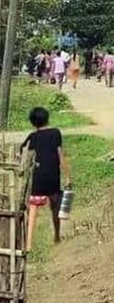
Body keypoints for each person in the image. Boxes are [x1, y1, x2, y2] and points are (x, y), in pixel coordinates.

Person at [21, 107, 70, 251]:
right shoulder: (55, 133)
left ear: (33, 122)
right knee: (55, 205)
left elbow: (26, 156)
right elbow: (60, 156)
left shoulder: (33, 137)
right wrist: (68, 176)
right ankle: (57, 236)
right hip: (53, 175)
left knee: (33, 208)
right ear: (47, 118)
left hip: (39, 175)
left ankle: (29, 244)